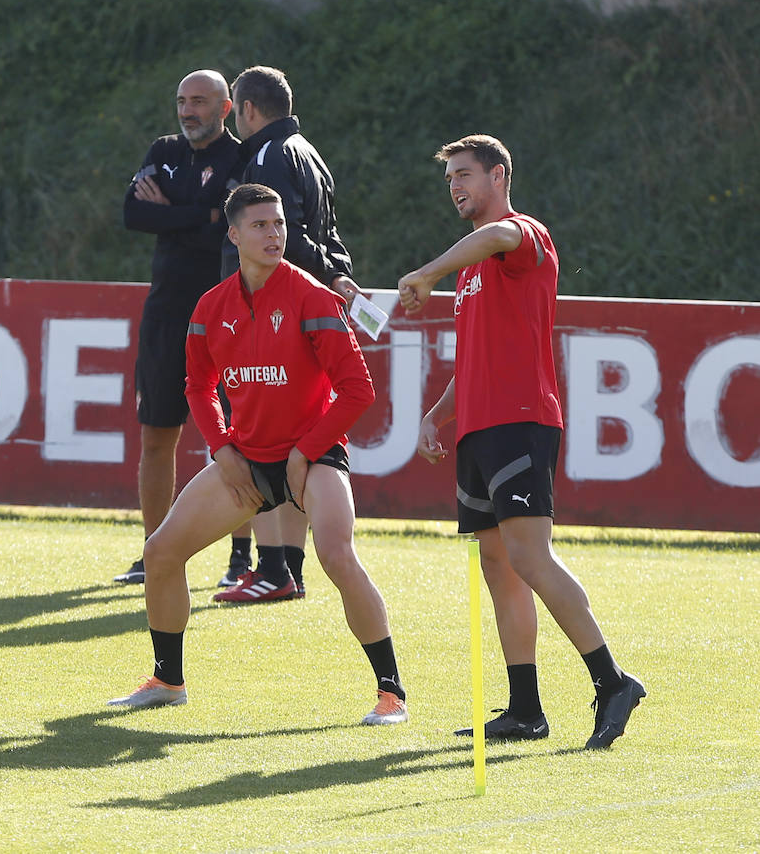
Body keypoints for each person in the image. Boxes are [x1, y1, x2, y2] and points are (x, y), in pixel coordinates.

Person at [108, 184, 408, 727]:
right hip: (245, 460)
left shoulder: (313, 297)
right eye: (260, 225)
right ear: (234, 235)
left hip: (312, 458)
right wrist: (222, 450)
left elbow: (358, 390)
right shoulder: (210, 306)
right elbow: (197, 386)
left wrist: (307, 452)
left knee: (337, 555)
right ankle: (167, 681)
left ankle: (391, 694)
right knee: (160, 553)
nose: (274, 234)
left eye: (279, 224)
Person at [398, 134, 645, 749]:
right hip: (479, 428)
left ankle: (613, 681)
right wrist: (436, 413)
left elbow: (500, 236)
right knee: (499, 564)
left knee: (530, 557)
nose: (455, 186)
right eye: (449, 177)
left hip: (521, 420)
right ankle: (526, 710)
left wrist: (430, 270)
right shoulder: (473, 268)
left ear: (498, 175)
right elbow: (474, 357)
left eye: (465, 174)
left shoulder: (519, 233)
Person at [212, 65, 361, 602]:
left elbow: (286, 236)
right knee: (296, 424)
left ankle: (273, 567)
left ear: (249, 109)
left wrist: (318, 278)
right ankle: (286, 570)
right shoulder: (308, 150)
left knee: (264, 429)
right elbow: (329, 233)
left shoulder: (268, 156)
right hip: (309, 304)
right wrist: (338, 273)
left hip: (277, 311)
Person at [110, 69, 254, 589]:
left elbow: (229, 227)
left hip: (229, 312)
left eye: (199, 101)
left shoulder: (242, 157)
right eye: (181, 100)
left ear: (225, 108)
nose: (187, 110)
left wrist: (171, 212)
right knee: (157, 433)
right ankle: (156, 551)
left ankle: (240, 557)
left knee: (241, 436)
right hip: (168, 311)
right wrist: (202, 215)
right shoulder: (163, 149)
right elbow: (132, 213)